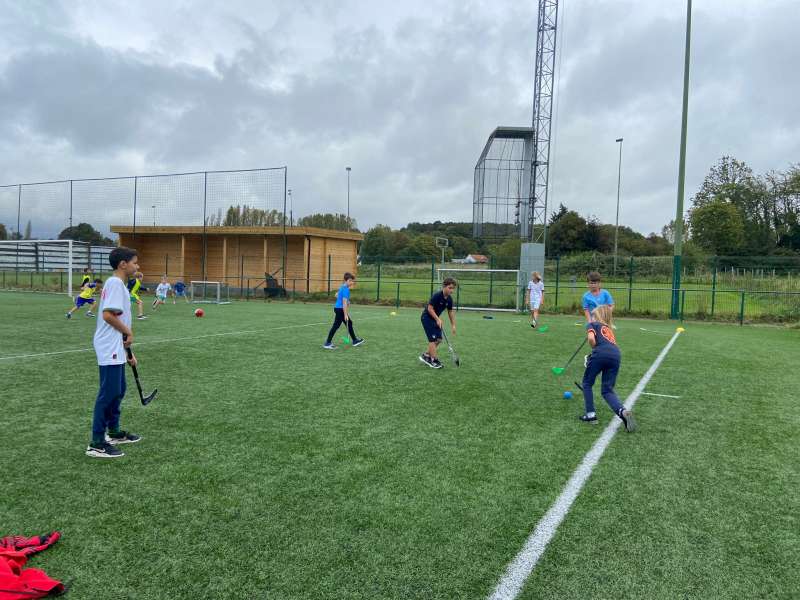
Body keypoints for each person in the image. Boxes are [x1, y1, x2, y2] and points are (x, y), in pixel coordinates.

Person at [86, 246, 142, 458]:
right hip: (108, 345)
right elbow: (108, 315)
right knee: (108, 392)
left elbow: (119, 319)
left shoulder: (119, 285)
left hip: (116, 346)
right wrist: (128, 332)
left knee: (119, 389)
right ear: (123, 264)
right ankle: (96, 443)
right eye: (135, 262)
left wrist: (128, 352)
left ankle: (114, 432)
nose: (137, 266)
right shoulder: (116, 283)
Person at [579, 305, 636, 432]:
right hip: (616, 355)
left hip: (600, 353)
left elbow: (591, 338)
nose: (591, 318)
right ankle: (622, 412)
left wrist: (594, 350)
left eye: (593, 316)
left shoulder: (592, 324)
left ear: (597, 316)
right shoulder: (608, 329)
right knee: (607, 390)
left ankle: (591, 415)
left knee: (587, 383)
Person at [419, 277, 457, 369]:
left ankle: (426, 355)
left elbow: (450, 312)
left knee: (439, 339)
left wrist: (453, 325)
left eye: (453, 288)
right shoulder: (437, 296)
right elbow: (430, 308)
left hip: (435, 319)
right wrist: (437, 319)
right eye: (450, 288)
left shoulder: (449, 299)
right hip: (427, 318)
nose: (451, 290)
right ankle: (434, 360)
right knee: (432, 339)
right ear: (444, 286)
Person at [323, 273, 364, 349]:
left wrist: (347, 301)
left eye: (352, 281)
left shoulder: (342, 287)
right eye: (350, 281)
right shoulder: (346, 289)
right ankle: (328, 343)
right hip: (340, 309)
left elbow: (336, 295)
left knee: (343, 324)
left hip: (337, 309)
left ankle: (354, 340)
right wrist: (345, 314)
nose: (351, 282)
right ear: (345, 281)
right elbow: (344, 303)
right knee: (341, 325)